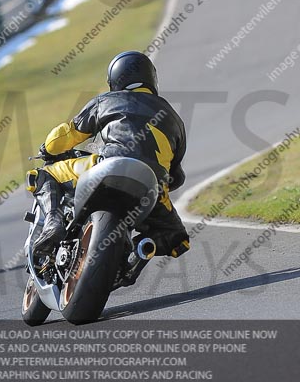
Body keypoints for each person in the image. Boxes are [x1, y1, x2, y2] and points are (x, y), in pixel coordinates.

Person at [27, 51, 190, 260]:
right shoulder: (174, 119)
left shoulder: (107, 101)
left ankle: (53, 223)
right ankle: (138, 252)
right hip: (153, 188)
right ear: (152, 79)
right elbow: (176, 174)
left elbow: (69, 134)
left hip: (108, 165)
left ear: (114, 79)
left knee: (41, 175)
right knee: (179, 239)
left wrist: (46, 150)